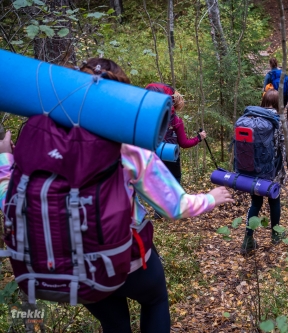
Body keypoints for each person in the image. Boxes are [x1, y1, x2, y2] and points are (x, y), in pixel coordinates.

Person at [0, 58, 234, 333]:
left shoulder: (37, 140)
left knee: (116, 324)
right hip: (129, 260)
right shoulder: (128, 147)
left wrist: (5, 158)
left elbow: (10, 200)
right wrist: (211, 197)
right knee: (155, 301)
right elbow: (175, 206)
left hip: (74, 268)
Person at [240, 89, 288, 255]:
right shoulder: (279, 122)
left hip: (253, 171)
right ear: (279, 104)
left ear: (264, 102)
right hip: (273, 172)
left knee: (256, 203)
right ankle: (275, 234)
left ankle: (247, 240)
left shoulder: (251, 118)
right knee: (274, 201)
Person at [145, 83, 207, 185]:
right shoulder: (176, 120)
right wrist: (199, 138)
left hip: (151, 159)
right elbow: (184, 143)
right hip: (171, 158)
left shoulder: (144, 115)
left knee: (157, 190)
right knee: (174, 191)